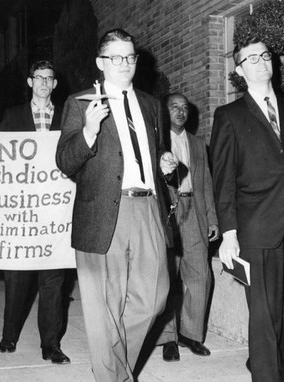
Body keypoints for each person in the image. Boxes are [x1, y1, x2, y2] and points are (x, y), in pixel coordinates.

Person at [56, 28, 178, 382]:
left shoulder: (152, 105)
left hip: (147, 207)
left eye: (130, 57)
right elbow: (65, 161)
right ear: (100, 63)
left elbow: (152, 154)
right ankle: (113, 378)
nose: (124, 63)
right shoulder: (80, 103)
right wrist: (89, 132)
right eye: (116, 57)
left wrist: (164, 162)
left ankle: (116, 368)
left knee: (155, 297)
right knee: (104, 310)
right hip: (103, 212)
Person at [209, 38, 284, 382]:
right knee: (263, 316)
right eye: (252, 58)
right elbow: (223, 180)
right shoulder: (229, 116)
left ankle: (264, 362)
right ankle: (266, 373)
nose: (262, 61)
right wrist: (229, 234)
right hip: (255, 229)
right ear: (239, 70)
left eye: (266, 55)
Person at [0, 59, 70, 364]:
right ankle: (9, 335)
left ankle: (50, 344)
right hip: (21, 212)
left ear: (54, 84)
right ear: (30, 83)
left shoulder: (67, 117)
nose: (43, 83)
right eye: (38, 77)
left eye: (48, 78)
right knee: (17, 278)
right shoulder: (12, 116)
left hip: (56, 211)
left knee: (53, 280)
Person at [157, 93, 219, 362]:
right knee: (168, 275)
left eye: (184, 108)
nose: (180, 112)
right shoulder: (155, 142)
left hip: (194, 210)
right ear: (164, 111)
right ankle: (168, 338)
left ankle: (191, 334)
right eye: (174, 107)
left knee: (200, 274)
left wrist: (212, 218)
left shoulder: (198, 144)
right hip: (166, 213)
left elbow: (206, 183)